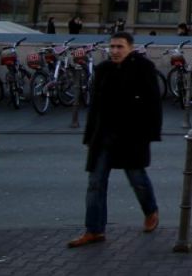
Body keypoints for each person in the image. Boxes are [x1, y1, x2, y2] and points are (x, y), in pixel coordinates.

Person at [66, 32, 162, 248]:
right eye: (113, 47)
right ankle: (94, 229)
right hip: (104, 137)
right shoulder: (103, 70)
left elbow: (154, 103)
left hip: (131, 136)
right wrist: (89, 136)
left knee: (137, 179)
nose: (115, 51)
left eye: (120, 46)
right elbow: (95, 108)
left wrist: (150, 133)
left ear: (130, 48)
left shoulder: (143, 68)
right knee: (95, 184)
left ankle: (150, 210)